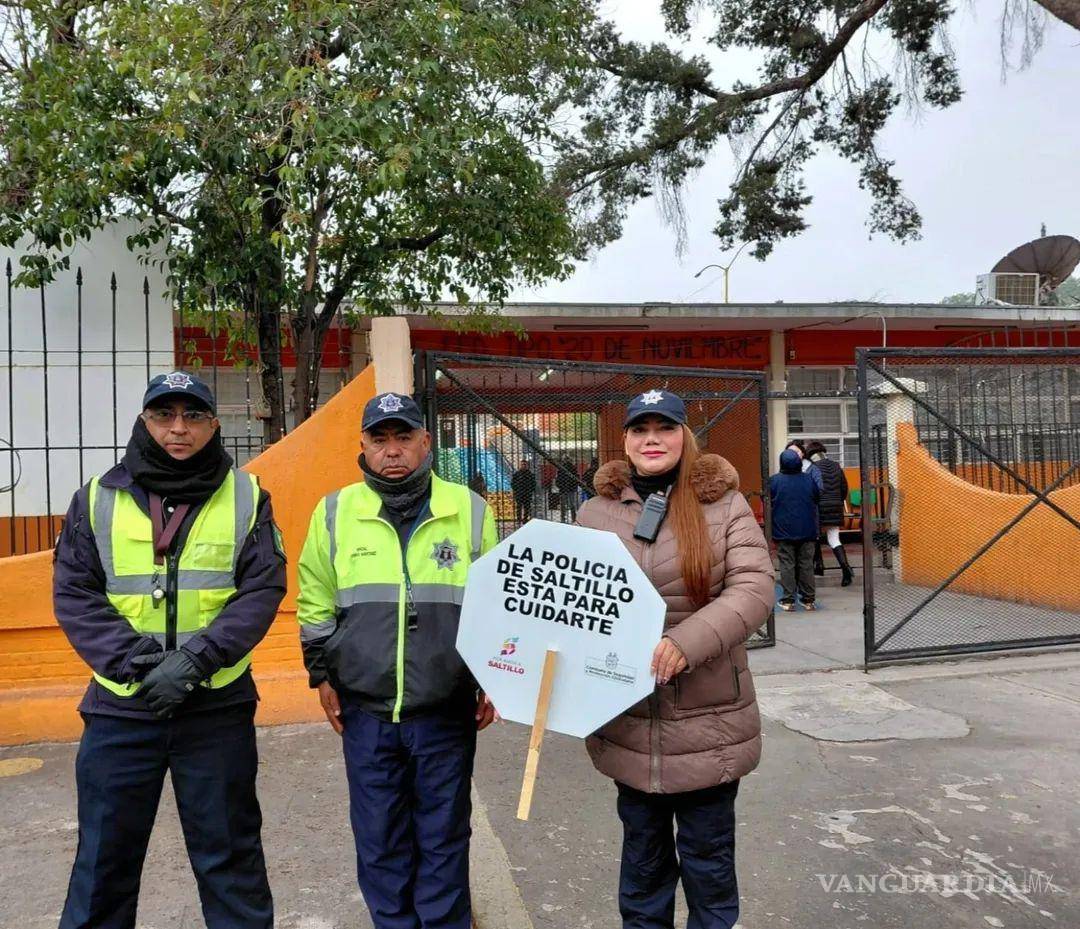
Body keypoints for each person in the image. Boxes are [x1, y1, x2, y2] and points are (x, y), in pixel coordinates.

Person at [53, 371, 284, 929]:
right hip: (121, 709)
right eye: (164, 416)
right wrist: (139, 664)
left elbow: (262, 588)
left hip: (215, 708)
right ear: (144, 421)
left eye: (193, 417)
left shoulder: (248, 496)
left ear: (212, 424)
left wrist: (197, 659)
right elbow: (74, 593)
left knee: (230, 861)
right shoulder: (96, 498)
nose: (178, 429)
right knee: (103, 864)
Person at [296, 392, 498, 929]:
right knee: (380, 839)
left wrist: (493, 678)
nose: (392, 451)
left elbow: (495, 607)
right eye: (380, 439)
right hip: (366, 710)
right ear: (362, 445)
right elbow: (315, 598)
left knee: (444, 837)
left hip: (445, 708)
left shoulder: (471, 511)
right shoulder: (335, 512)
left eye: (403, 437)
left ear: (425, 442)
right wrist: (321, 672)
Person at [576, 389, 774, 929]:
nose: (652, 440)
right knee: (643, 867)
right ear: (625, 440)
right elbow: (570, 602)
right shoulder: (595, 512)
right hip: (630, 722)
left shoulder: (724, 505)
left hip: (709, 723)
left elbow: (756, 588)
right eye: (641, 429)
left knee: (709, 867)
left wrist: (686, 642)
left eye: (665, 429)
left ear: (684, 436)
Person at [769, 446, 823, 611]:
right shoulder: (808, 479)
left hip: (784, 530)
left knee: (787, 564)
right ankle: (808, 600)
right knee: (806, 564)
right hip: (807, 530)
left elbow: (769, 499)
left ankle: (788, 600)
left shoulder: (774, 481)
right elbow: (816, 496)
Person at [805, 440, 854, 586]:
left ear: (810, 455)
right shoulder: (836, 466)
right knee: (834, 539)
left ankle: (819, 566)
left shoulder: (812, 468)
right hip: (835, 506)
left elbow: (810, 490)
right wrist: (837, 501)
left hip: (818, 508)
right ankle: (846, 569)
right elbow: (844, 488)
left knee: (815, 536)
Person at [511, 458, 536, 523]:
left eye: (524, 464)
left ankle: (525, 519)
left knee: (526, 507)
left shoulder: (530, 474)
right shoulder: (517, 474)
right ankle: (518, 519)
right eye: (522, 464)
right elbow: (512, 483)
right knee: (519, 507)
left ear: (527, 465)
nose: (523, 466)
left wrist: (531, 490)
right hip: (519, 493)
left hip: (527, 493)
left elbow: (533, 483)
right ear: (520, 465)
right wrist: (516, 490)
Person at [555, 453, 580, 520]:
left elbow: (557, 479)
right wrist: (574, 486)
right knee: (572, 504)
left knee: (563, 504)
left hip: (563, 489)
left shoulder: (560, 468)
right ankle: (573, 518)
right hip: (571, 488)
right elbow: (577, 478)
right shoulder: (573, 468)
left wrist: (560, 486)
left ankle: (563, 517)